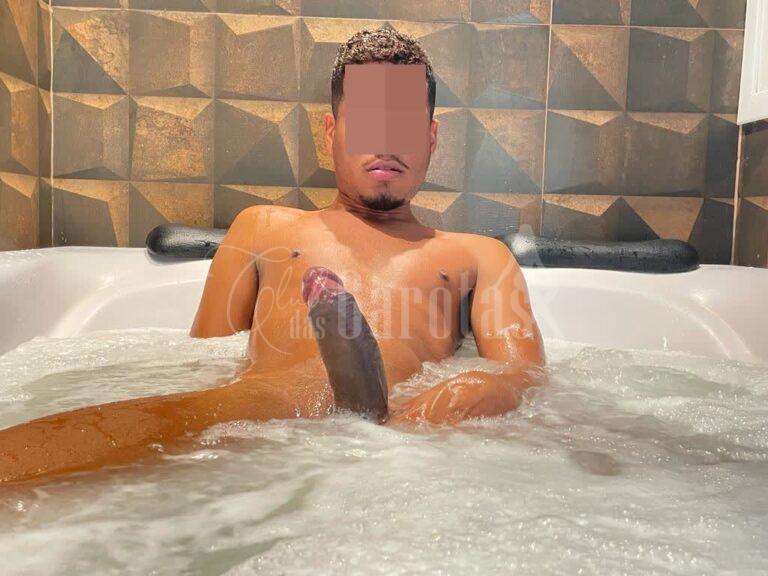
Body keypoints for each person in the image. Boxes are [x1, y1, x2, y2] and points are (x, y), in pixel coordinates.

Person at [0, 27, 545, 484]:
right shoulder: (262, 229)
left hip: (413, 440)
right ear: (331, 131)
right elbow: (201, 358)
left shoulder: (479, 256)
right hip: (265, 423)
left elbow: (526, 377)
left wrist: (478, 391)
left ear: (430, 138)